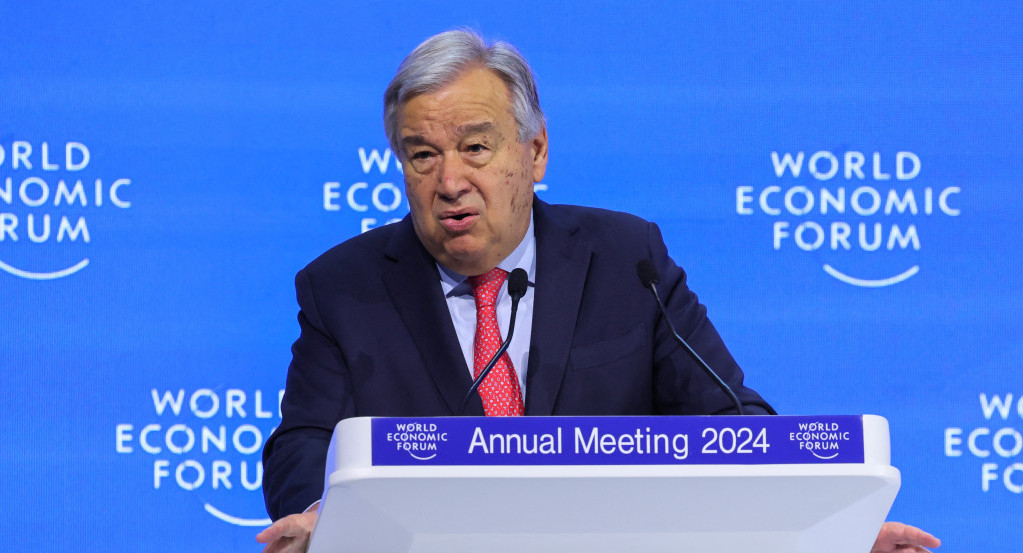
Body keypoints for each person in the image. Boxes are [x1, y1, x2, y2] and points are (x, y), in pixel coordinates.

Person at [257, 29, 940, 553]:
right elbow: (305, 442)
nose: (449, 181)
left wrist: (825, 532)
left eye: (475, 147)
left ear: (534, 152)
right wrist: (320, 515)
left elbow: (729, 422)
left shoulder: (625, 259)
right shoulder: (343, 286)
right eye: (421, 154)